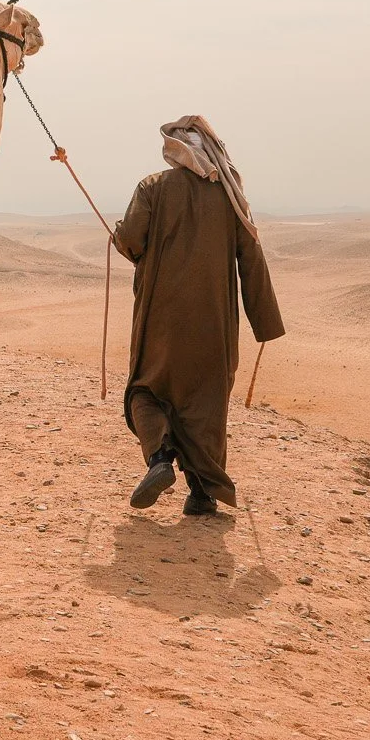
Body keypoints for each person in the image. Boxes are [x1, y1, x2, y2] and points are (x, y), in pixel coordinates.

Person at [111, 116, 284, 516]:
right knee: (206, 403)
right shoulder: (231, 196)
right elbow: (251, 256)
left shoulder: (152, 187)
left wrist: (119, 237)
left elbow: (132, 241)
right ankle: (203, 494)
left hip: (161, 318)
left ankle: (158, 459)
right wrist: (265, 321)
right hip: (215, 323)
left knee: (146, 389)